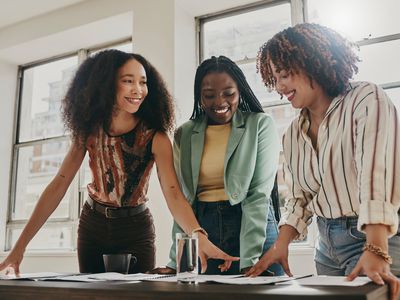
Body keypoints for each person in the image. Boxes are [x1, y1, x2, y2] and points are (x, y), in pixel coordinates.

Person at [0, 50, 238, 275]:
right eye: (128, 81)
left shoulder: (156, 137)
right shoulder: (89, 131)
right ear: (107, 83)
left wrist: (198, 235)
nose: (138, 89)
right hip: (93, 225)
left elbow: (174, 193)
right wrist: (19, 248)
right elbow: (59, 184)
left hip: (136, 229)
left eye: (143, 82)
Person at [246, 23, 400, 299]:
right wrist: (280, 245)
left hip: (374, 237)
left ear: (312, 63)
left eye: (283, 75)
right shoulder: (292, 134)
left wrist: (376, 248)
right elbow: (299, 198)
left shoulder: (365, 99)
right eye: (274, 79)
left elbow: (377, 175)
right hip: (326, 245)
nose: (279, 87)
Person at [154, 55, 284, 275]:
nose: (219, 102)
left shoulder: (260, 125)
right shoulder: (184, 134)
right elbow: (185, 201)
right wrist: (176, 261)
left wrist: (249, 260)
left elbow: (257, 195)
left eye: (228, 93)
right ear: (200, 97)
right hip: (205, 233)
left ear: (240, 91)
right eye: (209, 95)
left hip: (254, 227)